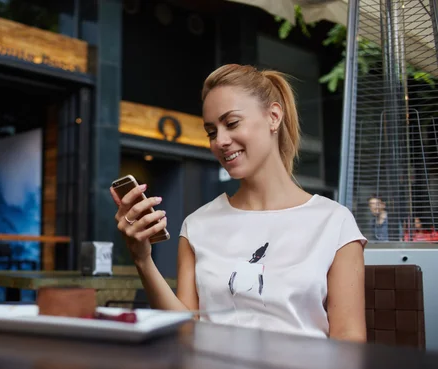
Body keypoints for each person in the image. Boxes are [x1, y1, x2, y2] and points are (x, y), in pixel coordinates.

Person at [110, 64, 367, 342]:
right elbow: (186, 334)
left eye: (231, 123)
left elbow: (349, 343)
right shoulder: (197, 226)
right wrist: (142, 259)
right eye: (211, 132)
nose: (220, 141)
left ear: (273, 116)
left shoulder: (334, 222)